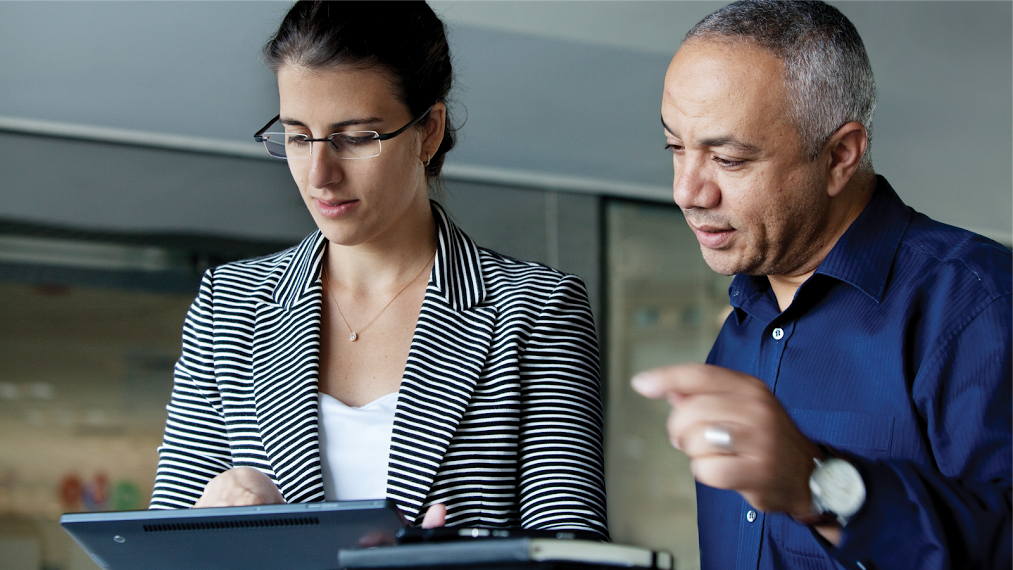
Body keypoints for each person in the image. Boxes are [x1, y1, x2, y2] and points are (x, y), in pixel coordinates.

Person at [149, 0, 608, 540]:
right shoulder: (226, 303)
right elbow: (163, 545)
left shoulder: (536, 309)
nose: (320, 174)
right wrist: (207, 525)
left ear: (429, 131)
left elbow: (570, 550)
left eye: (355, 137)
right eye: (298, 136)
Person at [631, 0, 1013, 568]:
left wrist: (822, 487)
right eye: (676, 148)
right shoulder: (737, 333)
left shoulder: (978, 304)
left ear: (840, 155)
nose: (688, 192)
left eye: (730, 159)